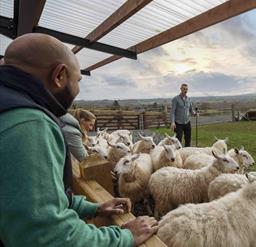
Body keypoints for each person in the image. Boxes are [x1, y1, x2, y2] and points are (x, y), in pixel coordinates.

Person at [0, 33, 158, 246]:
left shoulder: (9, 106)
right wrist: (124, 237)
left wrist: (93, 208)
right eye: (78, 80)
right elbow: (48, 236)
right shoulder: (29, 124)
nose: (78, 89)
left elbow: (22, 199)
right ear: (59, 75)